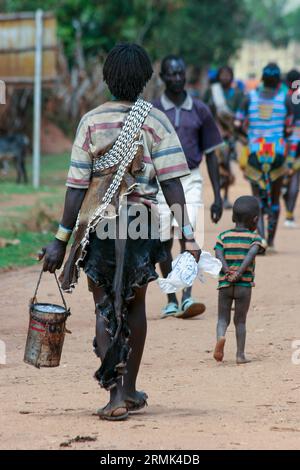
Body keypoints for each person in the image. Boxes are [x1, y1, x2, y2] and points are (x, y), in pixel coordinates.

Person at [38, 43, 201, 421]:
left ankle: (113, 395)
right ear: (146, 79)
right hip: (142, 225)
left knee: (104, 306)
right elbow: (174, 184)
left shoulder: (91, 121)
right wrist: (188, 235)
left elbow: (77, 188)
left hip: (101, 226)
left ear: (106, 78)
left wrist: (60, 240)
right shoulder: (156, 120)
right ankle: (128, 391)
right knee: (134, 305)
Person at [153, 55, 223, 319]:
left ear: (186, 75)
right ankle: (171, 296)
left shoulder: (200, 110)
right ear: (162, 78)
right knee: (162, 241)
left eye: (180, 73)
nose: (177, 78)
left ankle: (187, 296)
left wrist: (217, 197)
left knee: (188, 235)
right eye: (171, 74)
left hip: (190, 178)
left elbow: (213, 155)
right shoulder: (153, 110)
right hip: (161, 181)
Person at [235, 63, 294, 251]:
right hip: (277, 155)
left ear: (262, 79)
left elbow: (237, 123)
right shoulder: (286, 99)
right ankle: (272, 241)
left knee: (257, 199)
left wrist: (248, 138)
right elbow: (291, 128)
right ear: (278, 83)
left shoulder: (248, 98)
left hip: (255, 153)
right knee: (275, 199)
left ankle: (259, 240)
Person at [214, 196, 266, 364]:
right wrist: (239, 273)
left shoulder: (223, 236)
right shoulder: (254, 238)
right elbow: (251, 255)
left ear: (233, 218)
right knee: (240, 321)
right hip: (244, 284)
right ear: (256, 220)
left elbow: (218, 254)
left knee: (222, 318)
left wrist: (227, 270)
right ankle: (240, 355)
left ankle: (220, 337)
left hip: (225, 283)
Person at [204, 66, 245, 209]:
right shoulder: (212, 91)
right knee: (217, 163)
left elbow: (240, 114)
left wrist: (233, 129)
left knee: (227, 163)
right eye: (223, 74)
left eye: (228, 74)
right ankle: (220, 195)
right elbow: (206, 112)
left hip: (232, 136)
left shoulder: (238, 94)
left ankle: (225, 195)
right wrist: (218, 128)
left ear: (232, 76)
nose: (225, 77)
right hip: (215, 134)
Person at [282, 69, 300, 228]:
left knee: (284, 176)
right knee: (296, 178)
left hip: (286, 143)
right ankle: (289, 215)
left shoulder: (284, 98)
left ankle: (282, 190)